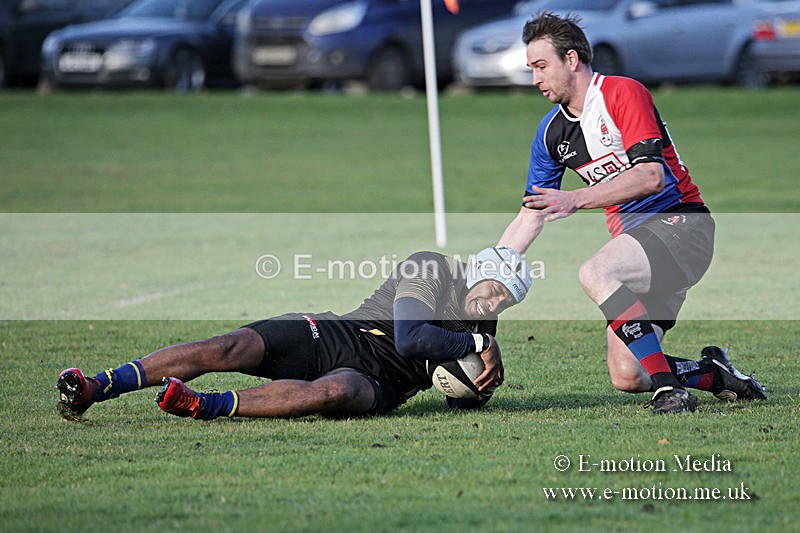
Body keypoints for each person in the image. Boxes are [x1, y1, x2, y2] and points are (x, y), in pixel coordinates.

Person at [496, 12, 766, 414]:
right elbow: (531, 214)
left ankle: (669, 392)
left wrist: (576, 198)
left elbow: (651, 176)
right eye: (531, 68)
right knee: (627, 374)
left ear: (572, 59)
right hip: (639, 250)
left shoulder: (623, 93)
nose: (535, 78)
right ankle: (715, 375)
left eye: (541, 66)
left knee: (595, 272)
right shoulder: (551, 133)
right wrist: (487, 272)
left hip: (683, 226)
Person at [56, 247, 533, 421]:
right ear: (478, 271)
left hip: (381, 383)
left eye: (504, 304)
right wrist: (474, 347)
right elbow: (410, 338)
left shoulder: (482, 321)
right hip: (337, 335)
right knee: (227, 346)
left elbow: (453, 392)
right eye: (493, 292)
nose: (493, 307)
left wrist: (477, 388)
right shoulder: (430, 266)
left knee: (332, 391)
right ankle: (98, 385)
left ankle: (205, 405)